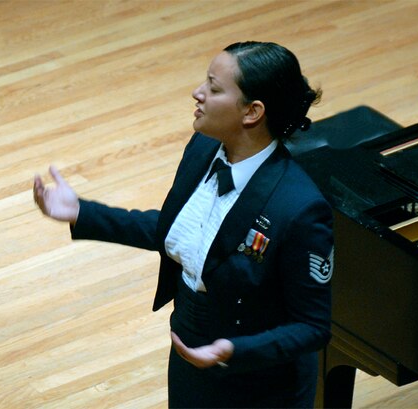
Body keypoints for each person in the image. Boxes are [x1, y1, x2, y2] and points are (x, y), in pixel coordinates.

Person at [32, 42, 334, 408]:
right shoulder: (203, 148)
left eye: (214, 87)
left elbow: (313, 327)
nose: (198, 93)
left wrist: (232, 351)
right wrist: (83, 212)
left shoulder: (299, 208)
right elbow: (179, 233)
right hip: (190, 341)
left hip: (261, 380)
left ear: (252, 112)